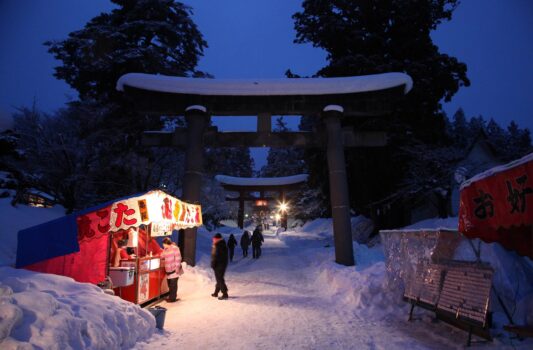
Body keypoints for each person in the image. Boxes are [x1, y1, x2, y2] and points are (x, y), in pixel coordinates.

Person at [161, 237, 183, 303]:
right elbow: (162, 256)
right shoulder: (165, 249)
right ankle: (172, 296)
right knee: (169, 284)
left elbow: (178, 259)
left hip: (174, 270)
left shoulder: (175, 249)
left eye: (163, 244)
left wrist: (177, 268)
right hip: (168, 271)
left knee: (173, 285)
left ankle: (172, 298)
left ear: (166, 243)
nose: (163, 245)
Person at [211, 233, 229, 300]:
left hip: (219, 265)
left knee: (220, 279)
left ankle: (225, 293)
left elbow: (216, 256)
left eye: (214, 239)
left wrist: (213, 264)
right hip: (221, 264)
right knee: (219, 279)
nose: (213, 240)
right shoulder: (220, 244)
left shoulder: (219, 245)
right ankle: (216, 292)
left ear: (217, 239)